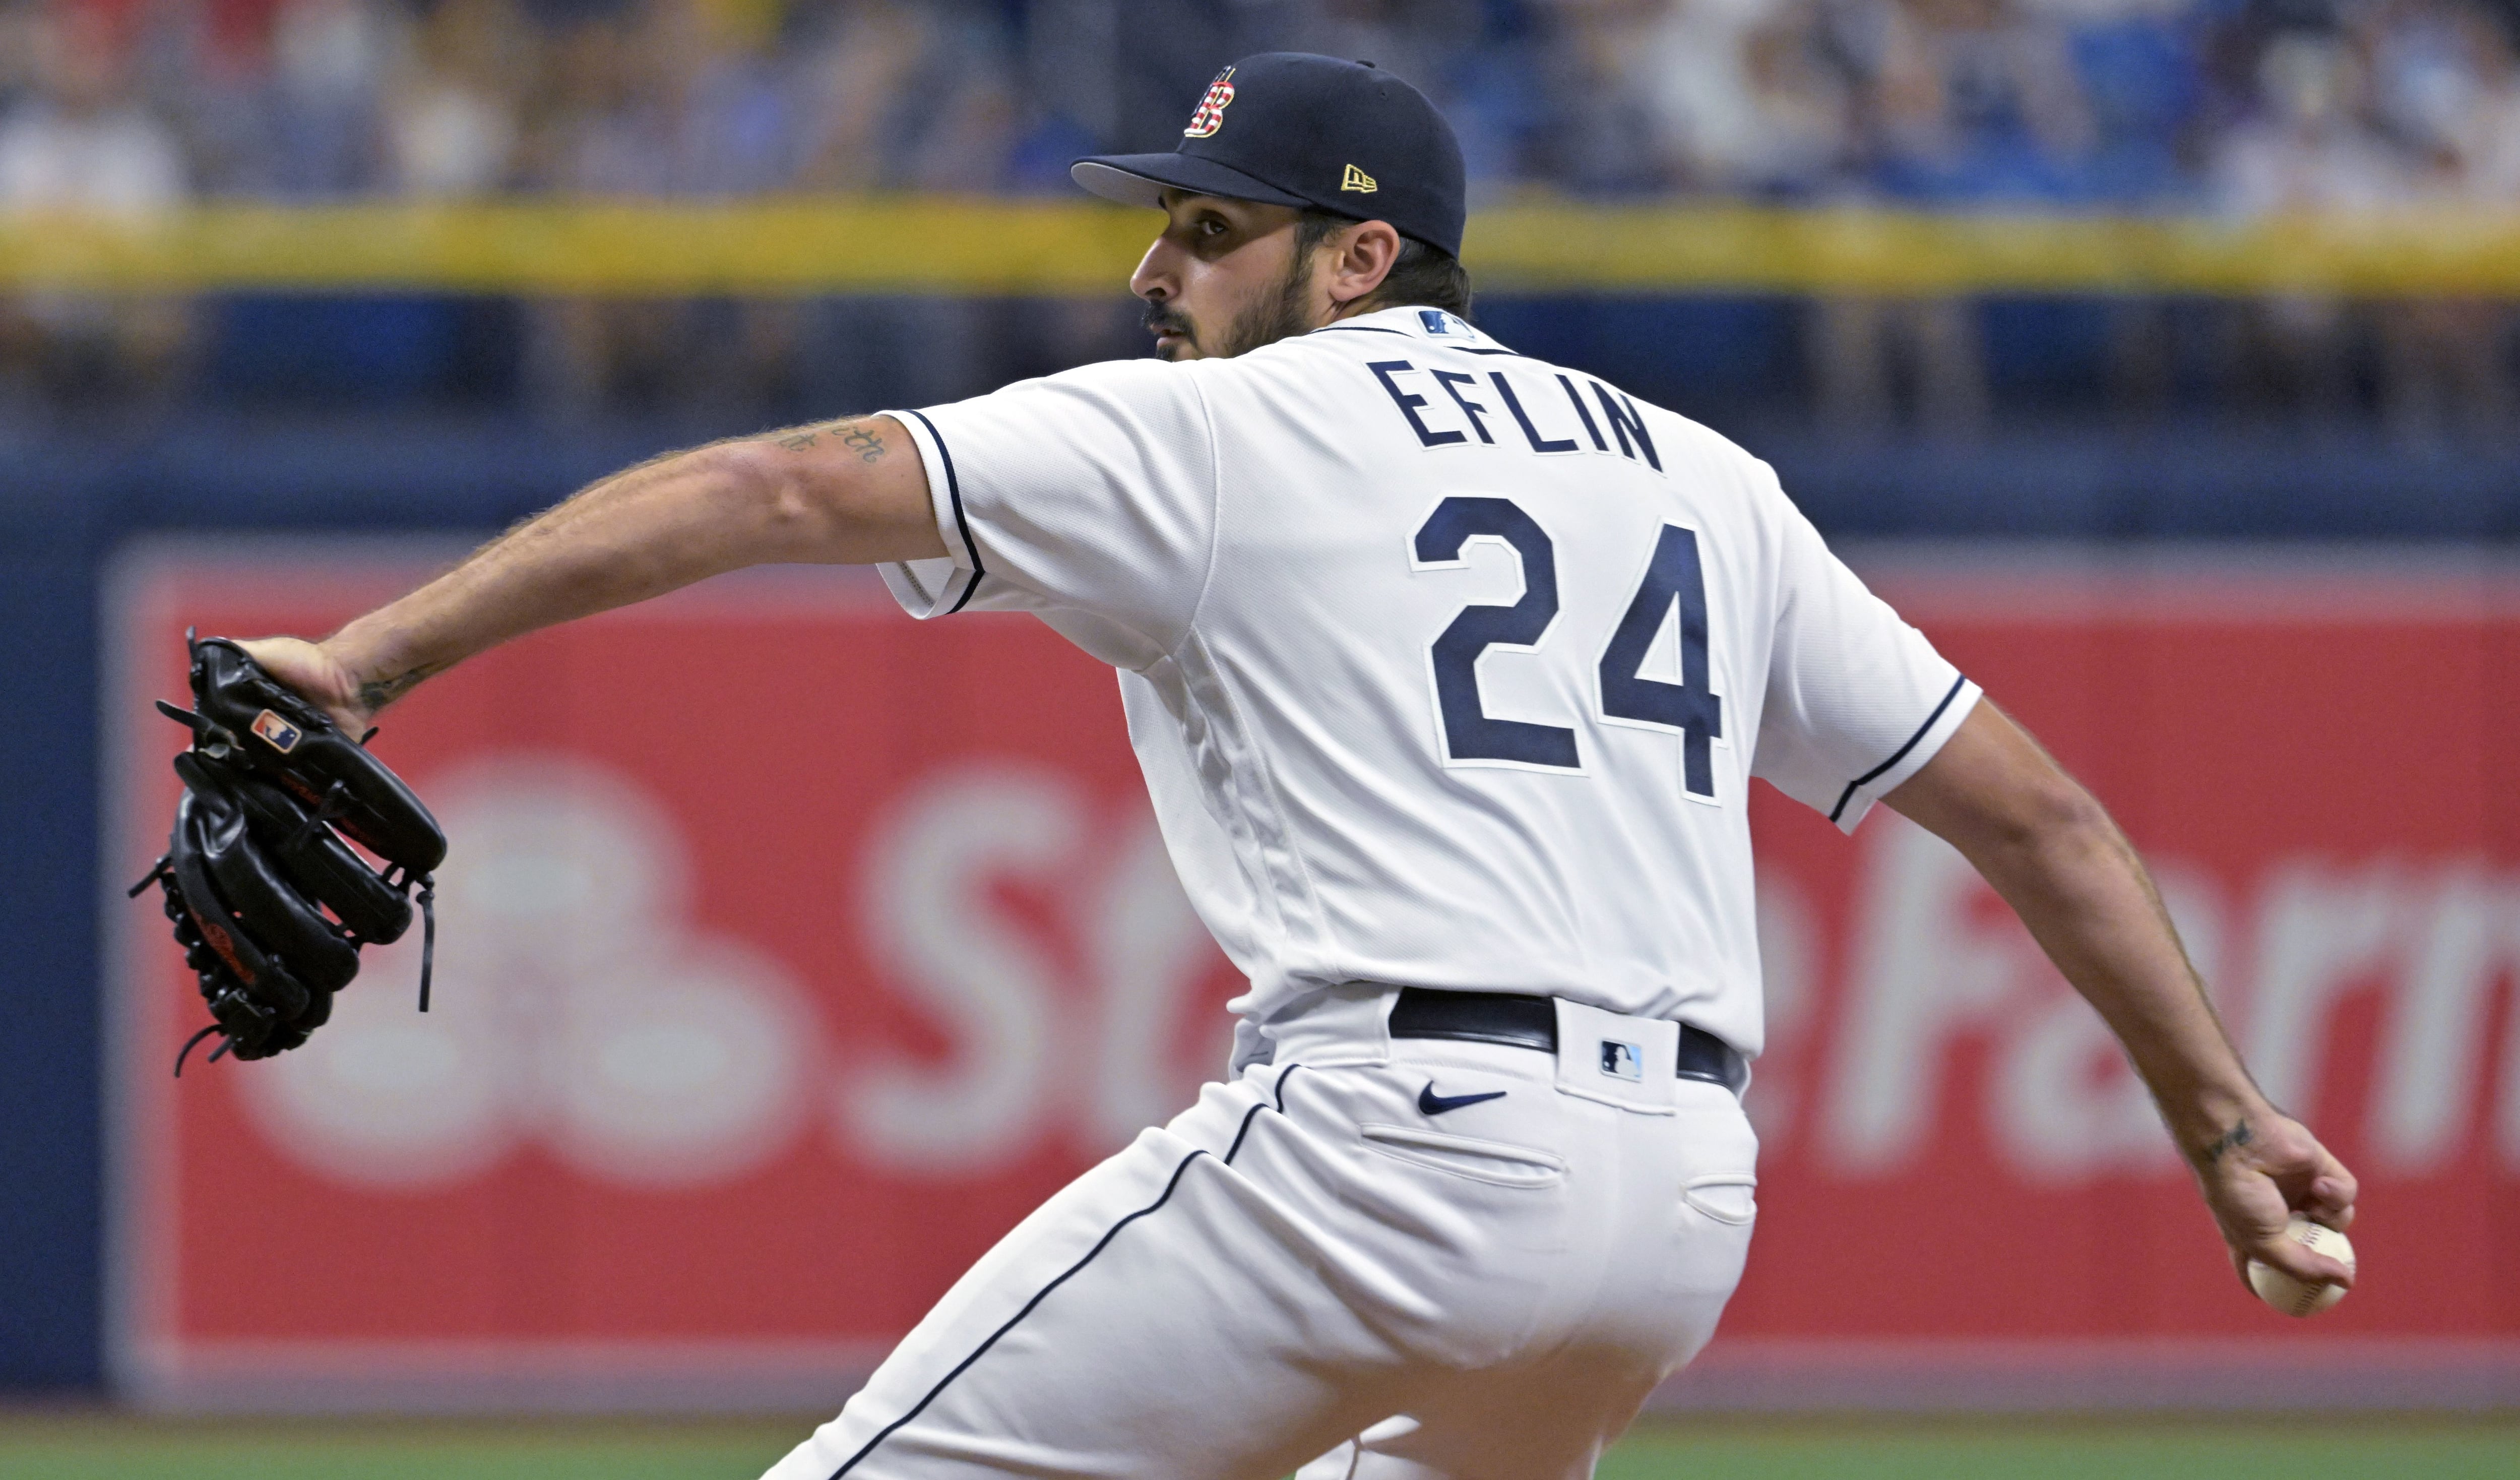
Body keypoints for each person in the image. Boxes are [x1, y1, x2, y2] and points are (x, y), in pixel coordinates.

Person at [234, 52, 2358, 1480]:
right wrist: (2221, 1115)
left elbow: (791, 482)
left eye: (1208, 229)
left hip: (1386, 1148)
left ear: (1357, 259)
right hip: (1673, 1211)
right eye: (1159, 223)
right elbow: (2035, 810)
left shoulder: (1227, 430)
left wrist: (383, 645)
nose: (1150, 267)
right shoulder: (1703, 478)